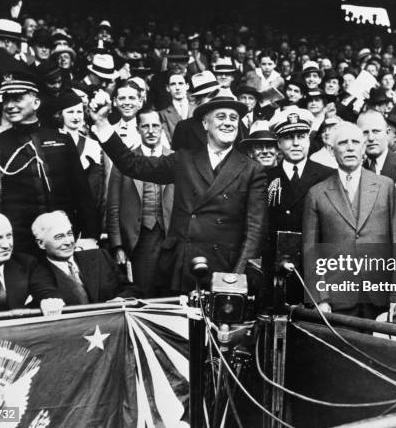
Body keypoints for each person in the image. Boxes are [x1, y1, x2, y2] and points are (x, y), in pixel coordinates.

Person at [90, 91, 267, 292]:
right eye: (221, 117)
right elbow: (132, 165)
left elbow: (255, 232)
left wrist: (236, 276)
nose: (228, 122)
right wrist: (103, 124)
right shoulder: (183, 160)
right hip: (182, 266)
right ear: (205, 124)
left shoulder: (252, 169)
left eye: (233, 118)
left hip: (224, 269)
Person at [0, 74, 100, 255]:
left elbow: (82, 194)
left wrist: (89, 235)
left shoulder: (61, 139)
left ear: (36, 103)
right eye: (6, 100)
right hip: (19, 246)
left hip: (63, 240)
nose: (9, 106)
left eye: (17, 99)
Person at [303, 122, 396, 318]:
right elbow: (311, 251)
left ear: (364, 148)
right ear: (332, 151)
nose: (350, 147)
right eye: (343, 143)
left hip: (380, 295)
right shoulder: (317, 193)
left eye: (355, 142)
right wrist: (320, 298)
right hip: (337, 298)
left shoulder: (386, 187)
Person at [264, 109, 334, 304]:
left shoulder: (328, 176)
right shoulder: (266, 178)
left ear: (309, 140)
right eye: (288, 137)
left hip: (314, 273)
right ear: (278, 143)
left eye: (301, 136)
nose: (296, 143)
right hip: (275, 273)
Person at [107, 110, 174, 297]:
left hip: (170, 236)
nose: (151, 131)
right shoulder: (125, 161)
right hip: (139, 238)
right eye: (145, 126)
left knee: (170, 291)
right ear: (138, 129)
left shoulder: (175, 158)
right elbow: (113, 206)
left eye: (155, 126)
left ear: (162, 128)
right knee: (144, 290)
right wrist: (118, 246)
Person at [32, 211, 140, 304]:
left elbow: (133, 290)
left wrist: (120, 300)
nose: (68, 242)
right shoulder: (38, 274)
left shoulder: (100, 257)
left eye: (69, 234)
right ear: (41, 243)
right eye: (59, 237)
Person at [357, 109, 396, 182]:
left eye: (376, 131)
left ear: (387, 132)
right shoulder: (356, 171)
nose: (371, 138)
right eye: (365, 133)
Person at [158, 72, 194, 144]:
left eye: (180, 83)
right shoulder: (162, 114)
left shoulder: (198, 109)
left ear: (187, 86)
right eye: (173, 84)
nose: (177, 88)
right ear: (168, 88)